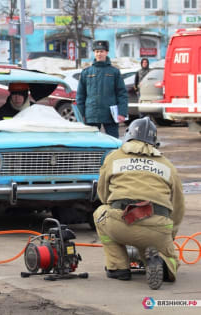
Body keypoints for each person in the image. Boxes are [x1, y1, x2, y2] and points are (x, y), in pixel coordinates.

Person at [93, 117, 185, 290]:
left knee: (100, 212)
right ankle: (164, 265)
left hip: (120, 221)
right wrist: (170, 235)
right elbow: (178, 207)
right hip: (158, 227)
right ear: (154, 141)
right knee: (166, 254)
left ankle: (118, 267)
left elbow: (103, 194)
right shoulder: (167, 166)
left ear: (128, 136)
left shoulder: (114, 158)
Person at [76, 40, 128, 138]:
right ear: (94, 53)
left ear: (106, 52)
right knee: (91, 143)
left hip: (110, 115)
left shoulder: (114, 72)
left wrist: (122, 112)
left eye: (102, 51)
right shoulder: (86, 72)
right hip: (91, 115)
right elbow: (80, 95)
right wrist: (81, 113)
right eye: (97, 51)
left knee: (113, 142)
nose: (99, 54)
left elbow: (122, 94)